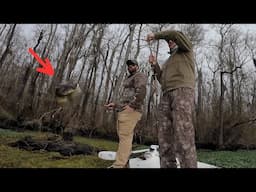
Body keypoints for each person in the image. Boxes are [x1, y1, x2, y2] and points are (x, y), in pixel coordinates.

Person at [146, 30, 197, 168]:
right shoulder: (168, 61)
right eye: (168, 41)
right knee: (164, 137)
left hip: (182, 92)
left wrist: (156, 36)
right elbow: (162, 79)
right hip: (166, 95)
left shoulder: (186, 50)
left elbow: (175, 34)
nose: (170, 42)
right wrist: (155, 65)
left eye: (171, 40)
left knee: (183, 134)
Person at [104, 59, 147, 168]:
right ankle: (124, 163)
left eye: (132, 65)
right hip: (124, 110)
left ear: (137, 66)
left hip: (131, 110)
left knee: (125, 137)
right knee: (125, 138)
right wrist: (115, 105)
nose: (130, 67)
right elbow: (125, 98)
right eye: (129, 65)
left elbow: (141, 91)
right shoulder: (129, 78)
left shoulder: (139, 75)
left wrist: (132, 106)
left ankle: (119, 165)